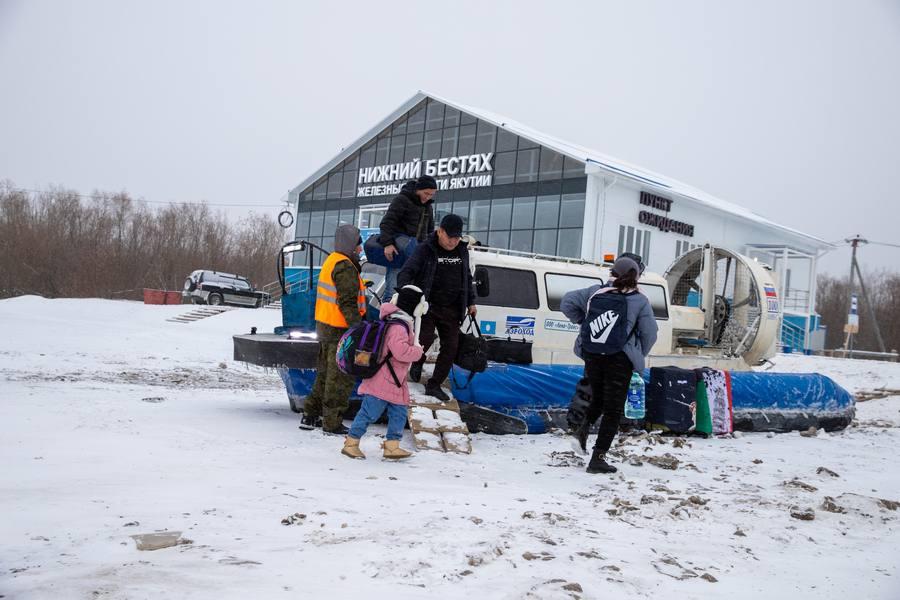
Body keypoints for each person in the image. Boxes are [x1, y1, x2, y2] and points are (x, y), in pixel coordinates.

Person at [560, 255, 658, 474]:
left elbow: (566, 302)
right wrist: (637, 352)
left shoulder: (595, 292)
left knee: (598, 398)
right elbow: (650, 333)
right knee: (613, 410)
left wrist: (585, 323)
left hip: (593, 354)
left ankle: (581, 430)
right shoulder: (639, 299)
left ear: (613, 272)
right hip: (620, 359)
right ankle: (598, 459)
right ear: (637, 276)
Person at [341, 285, 429, 460]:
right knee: (369, 413)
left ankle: (392, 446)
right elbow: (400, 352)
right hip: (383, 379)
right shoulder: (398, 327)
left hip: (395, 380)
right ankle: (351, 443)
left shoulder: (400, 323)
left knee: (399, 413)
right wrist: (418, 352)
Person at [397, 213, 476, 402]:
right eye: (450, 237)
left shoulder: (462, 251)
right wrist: (406, 293)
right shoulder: (426, 249)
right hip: (428, 306)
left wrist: (471, 301)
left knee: (451, 347)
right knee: (423, 338)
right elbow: (407, 271)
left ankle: (434, 385)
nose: (453, 241)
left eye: (457, 238)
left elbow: (467, 278)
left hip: (452, 308)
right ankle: (418, 362)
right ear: (440, 231)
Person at [301, 223, 367, 435]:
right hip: (340, 329)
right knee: (339, 378)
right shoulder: (345, 266)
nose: (360, 249)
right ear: (350, 245)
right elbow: (347, 302)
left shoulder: (331, 261)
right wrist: (357, 329)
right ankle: (332, 422)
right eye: (358, 244)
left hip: (325, 326)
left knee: (324, 374)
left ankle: (310, 415)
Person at [377, 175, 438, 299]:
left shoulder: (428, 207)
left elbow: (430, 231)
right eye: (426, 193)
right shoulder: (402, 200)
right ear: (418, 189)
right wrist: (388, 244)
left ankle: (404, 316)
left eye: (431, 195)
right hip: (398, 251)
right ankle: (388, 317)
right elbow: (387, 223)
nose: (427, 197)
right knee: (393, 289)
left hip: (417, 254)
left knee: (412, 291)